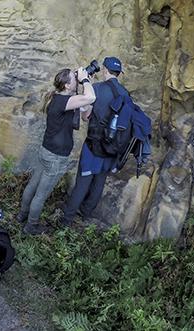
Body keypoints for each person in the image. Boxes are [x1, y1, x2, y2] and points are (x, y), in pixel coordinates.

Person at [18, 68, 96, 234]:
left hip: (46, 150)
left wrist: (87, 82)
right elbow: (91, 97)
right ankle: (31, 226)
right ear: (67, 85)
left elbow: (86, 113)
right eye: (74, 79)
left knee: (33, 185)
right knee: (41, 194)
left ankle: (22, 215)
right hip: (55, 157)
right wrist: (85, 80)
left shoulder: (60, 98)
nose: (77, 79)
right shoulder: (63, 101)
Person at [61, 57, 128, 225]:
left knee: (83, 182)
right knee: (99, 182)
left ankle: (67, 220)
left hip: (94, 146)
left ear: (104, 70)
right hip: (113, 148)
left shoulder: (97, 89)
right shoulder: (125, 94)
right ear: (118, 74)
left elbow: (85, 117)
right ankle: (85, 213)